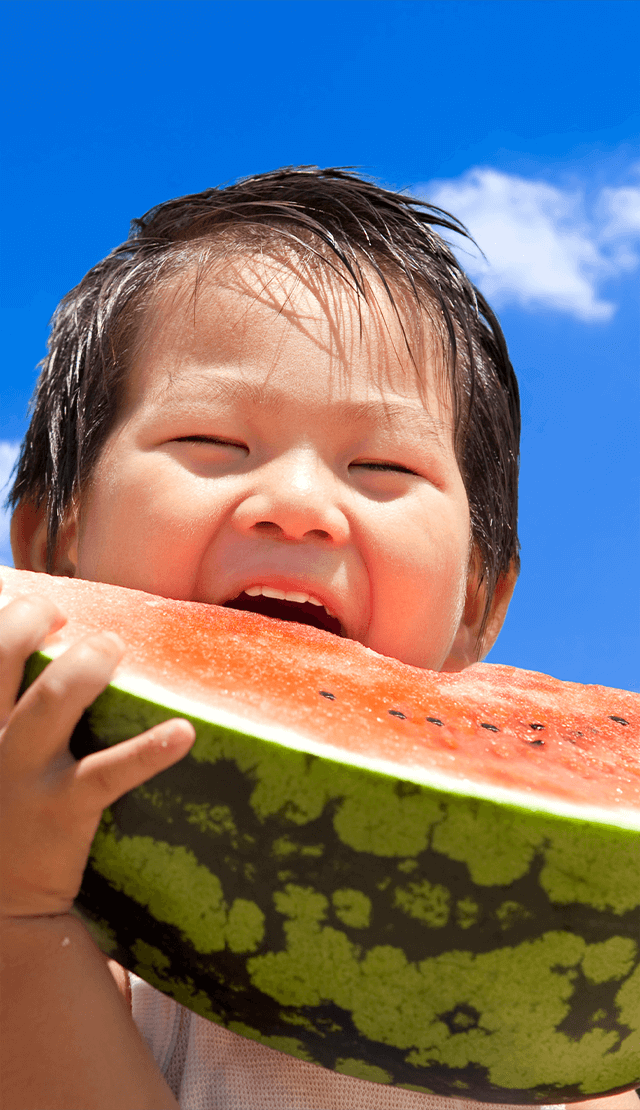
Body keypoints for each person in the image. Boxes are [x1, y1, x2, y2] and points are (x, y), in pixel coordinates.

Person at [0, 168, 637, 1110]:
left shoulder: (564, 938)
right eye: (211, 444)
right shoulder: (79, 932)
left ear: (479, 600)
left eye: (380, 465)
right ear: (51, 539)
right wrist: (24, 920)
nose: (299, 508)